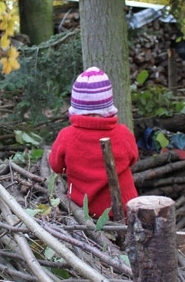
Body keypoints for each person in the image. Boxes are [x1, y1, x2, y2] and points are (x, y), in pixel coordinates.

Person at [48, 67, 138, 219]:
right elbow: (133, 159)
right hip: (125, 207)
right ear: (108, 107)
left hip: (85, 210)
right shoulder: (122, 133)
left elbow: (57, 166)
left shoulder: (67, 136)